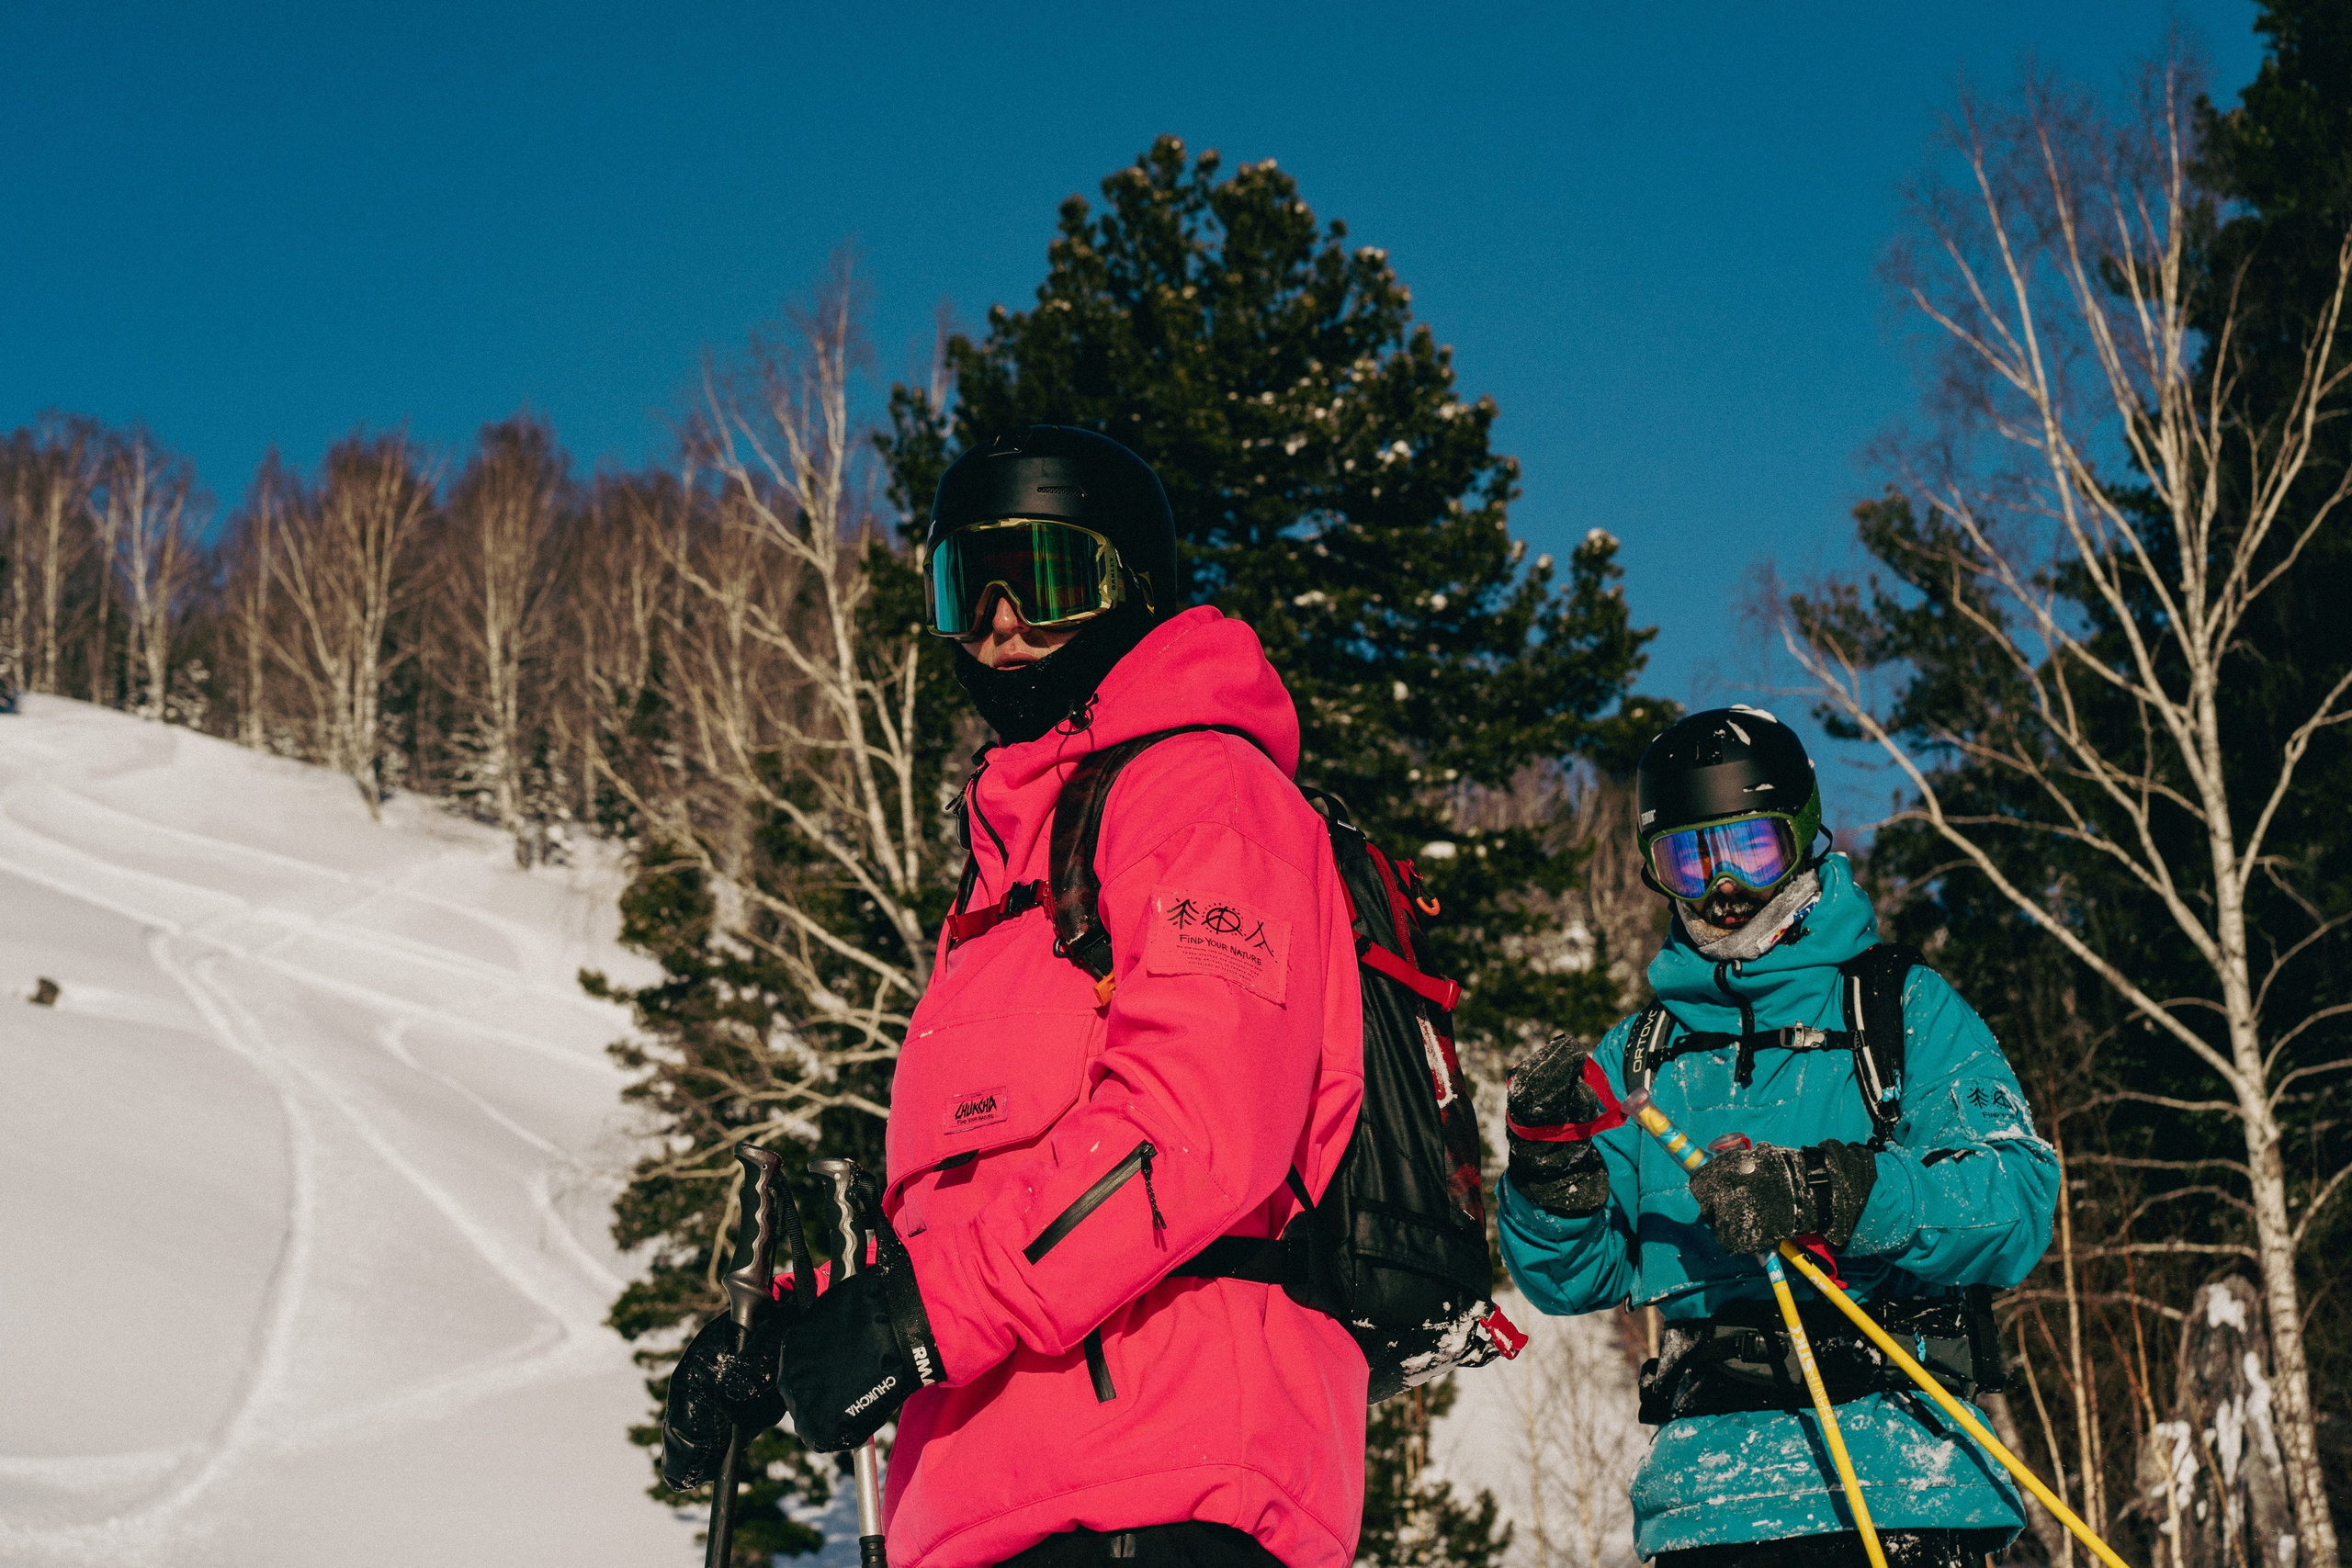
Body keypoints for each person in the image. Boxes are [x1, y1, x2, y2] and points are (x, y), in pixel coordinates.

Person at [660, 425, 1369, 1568]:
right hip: (991, 1502)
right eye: (963, 586)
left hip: (1162, 1479)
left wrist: (915, 1322)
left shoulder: (1206, 792)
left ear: (1129, 586)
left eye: (1041, 577)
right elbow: (975, 1206)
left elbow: (1192, 1132)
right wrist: (794, 1330)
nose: (997, 622)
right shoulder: (1009, 866)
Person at [1499, 706, 2058, 1568]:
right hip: (1710, 1504)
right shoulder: (1642, 1056)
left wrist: (1836, 1191)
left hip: (1897, 1477)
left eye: (1749, 848)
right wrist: (1551, 1178)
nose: (1723, 884)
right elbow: (1570, 1278)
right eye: (1688, 857)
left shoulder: (1899, 1010)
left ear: (1801, 838)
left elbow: (2017, 1201)